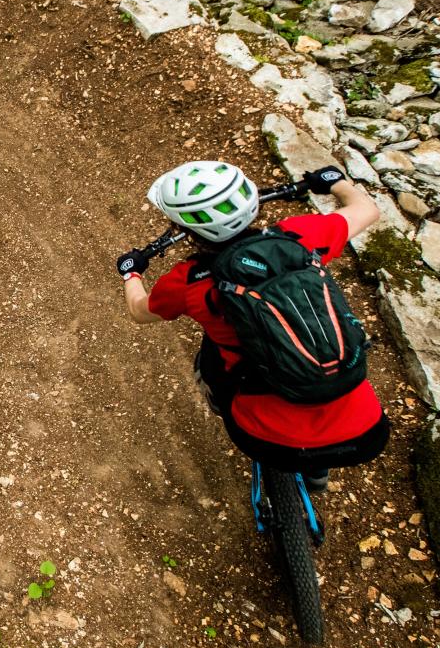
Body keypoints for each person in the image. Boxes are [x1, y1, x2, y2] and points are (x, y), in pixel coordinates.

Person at [115, 160, 389, 490]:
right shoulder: (301, 239)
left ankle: (225, 406)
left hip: (266, 439)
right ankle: (318, 473)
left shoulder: (189, 282)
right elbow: (367, 209)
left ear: (186, 229)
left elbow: (139, 310)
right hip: (367, 431)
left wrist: (131, 272)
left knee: (214, 359)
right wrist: (333, 182)